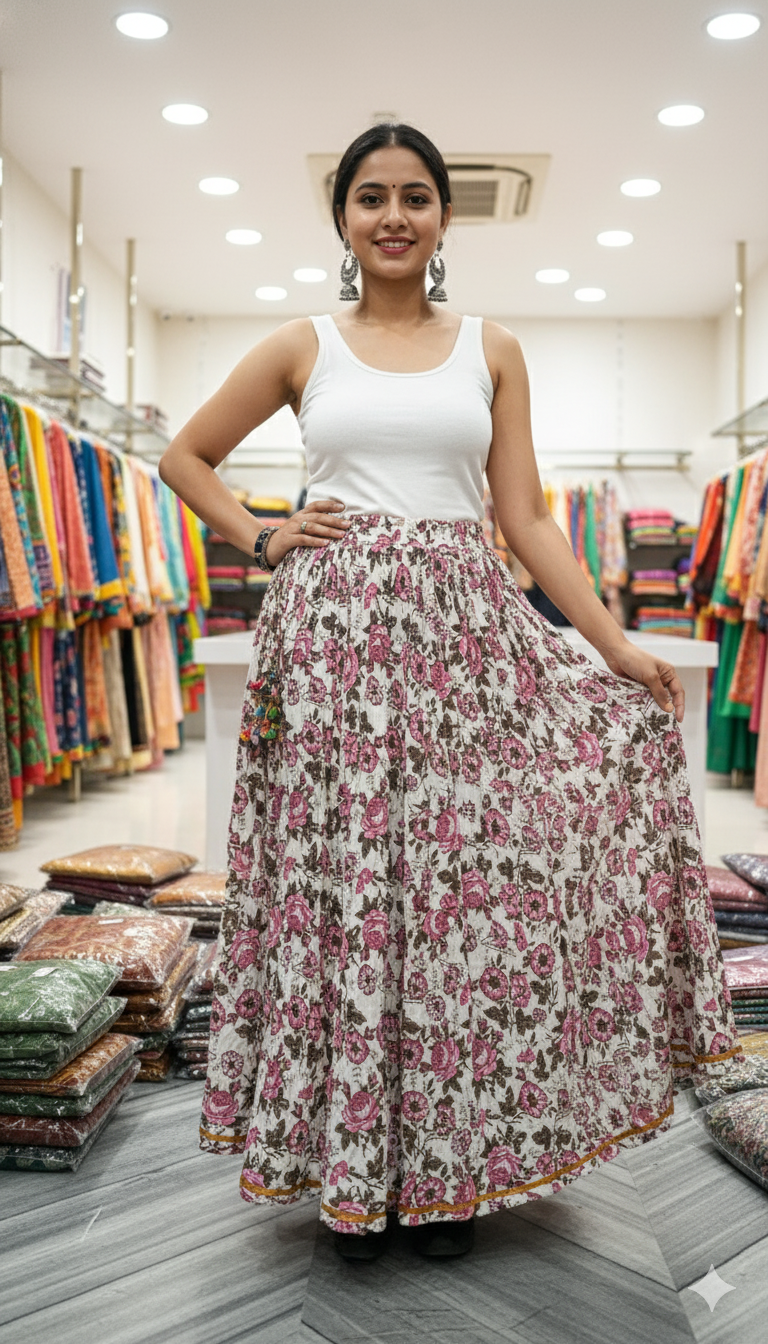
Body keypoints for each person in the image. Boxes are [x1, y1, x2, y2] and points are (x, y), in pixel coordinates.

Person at [159, 122, 741, 1263]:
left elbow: (526, 520)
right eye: (371, 196)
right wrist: (265, 535)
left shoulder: (492, 347)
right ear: (342, 217)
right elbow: (185, 458)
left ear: (444, 217)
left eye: (415, 196)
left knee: (460, 901)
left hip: (466, 645)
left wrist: (615, 646)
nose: (394, 216)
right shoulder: (301, 345)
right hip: (331, 648)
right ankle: (350, 1168)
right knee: (343, 892)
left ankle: (449, 1169)